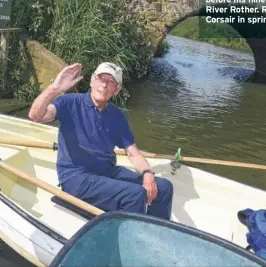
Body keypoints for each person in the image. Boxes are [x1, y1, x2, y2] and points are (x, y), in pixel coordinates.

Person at [28, 62, 174, 220]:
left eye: (111, 81)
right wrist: (54, 88)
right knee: (135, 195)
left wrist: (147, 173)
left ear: (117, 90)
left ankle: (155, 231)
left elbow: (133, 153)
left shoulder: (117, 116)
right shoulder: (69, 102)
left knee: (164, 187)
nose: (104, 84)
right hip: (76, 177)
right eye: (100, 78)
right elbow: (36, 116)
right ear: (92, 81)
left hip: (107, 172)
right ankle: (129, 240)